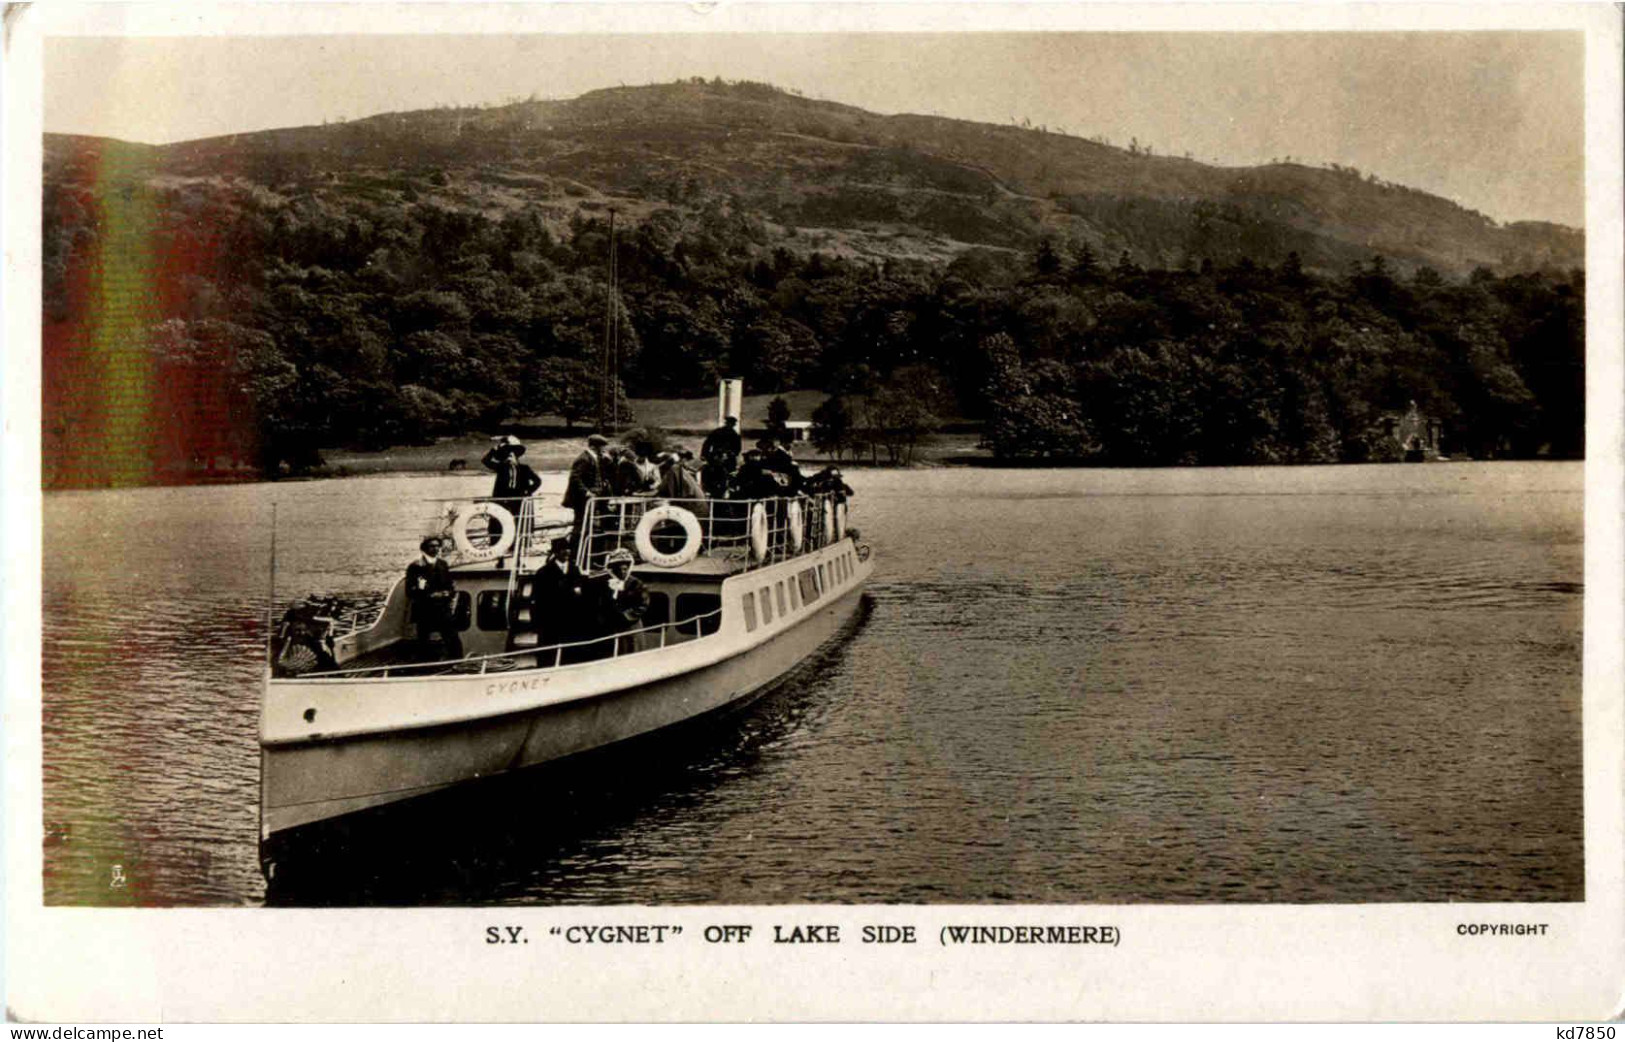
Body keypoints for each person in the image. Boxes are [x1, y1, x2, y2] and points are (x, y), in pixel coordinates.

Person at [404, 537, 462, 662]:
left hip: (442, 608)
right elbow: (410, 591)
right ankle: (424, 666)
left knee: (452, 637)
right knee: (423, 640)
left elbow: (450, 586)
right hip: (425, 609)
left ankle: (457, 662)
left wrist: (447, 593)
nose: (435, 548)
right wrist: (430, 595)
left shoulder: (443, 564)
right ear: (425, 548)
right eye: (432, 546)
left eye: (437, 546)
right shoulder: (415, 567)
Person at [481, 435, 541, 547]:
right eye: (507, 454)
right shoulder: (501, 467)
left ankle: (518, 545)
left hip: (517, 500)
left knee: (518, 522)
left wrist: (528, 491)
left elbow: (537, 481)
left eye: (512, 454)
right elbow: (485, 461)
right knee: (499, 522)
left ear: (516, 456)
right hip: (502, 499)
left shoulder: (524, 468)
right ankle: (497, 545)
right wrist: (495, 449)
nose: (510, 457)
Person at [532, 536, 586, 646]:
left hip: (571, 620)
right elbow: (538, 599)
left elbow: (581, 592)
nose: (567, 552)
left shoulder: (574, 570)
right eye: (563, 549)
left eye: (568, 549)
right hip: (551, 621)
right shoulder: (543, 573)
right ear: (555, 552)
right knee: (549, 651)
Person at [590, 548, 649, 637]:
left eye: (625, 569)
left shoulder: (635, 583)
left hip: (631, 627)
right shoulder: (606, 583)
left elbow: (642, 605)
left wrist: (624, 616)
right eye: (619, 569)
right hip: (611, 627)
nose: (622, 572)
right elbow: (600, 604)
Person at [700, 415, 742, 497]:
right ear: (726, 423)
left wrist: (729, 454)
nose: (730, 425)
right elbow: (707, 443)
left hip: (728, 460)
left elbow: (737, 449)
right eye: (729, 423)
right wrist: (705, 454)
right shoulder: (717, 432)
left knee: (731, 474)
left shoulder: (735, 435)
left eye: (731, 424)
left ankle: (729, 489)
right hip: (715, 457)